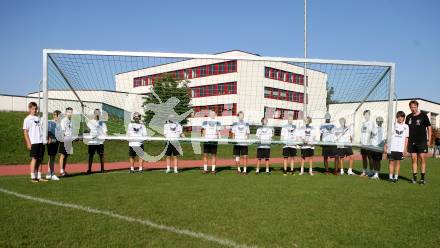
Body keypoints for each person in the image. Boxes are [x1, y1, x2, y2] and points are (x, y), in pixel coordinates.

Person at [405, 100, 432, 184]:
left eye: (414, 107)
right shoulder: (408, 117)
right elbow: (405, 129)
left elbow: (429, 128)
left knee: (422, 158)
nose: (413, 109)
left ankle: (423, 178)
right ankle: (414, 178)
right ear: (410, 107)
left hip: (422, 141)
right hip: (411, 141)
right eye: (411, 107)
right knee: (413, 159)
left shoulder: (423, 116)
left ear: (417, 106)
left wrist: (429, 140)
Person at [23, 102, 46, 182]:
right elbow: (25, 132)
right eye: (33, 109)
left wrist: (46, 138)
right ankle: (33, 176)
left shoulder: (39, 118)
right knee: (34, 159)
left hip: (41, 141)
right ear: (29, 109)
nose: (35, 110)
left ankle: (39, 176)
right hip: (34, 142)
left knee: (40, 159)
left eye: (36, 109)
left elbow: (42, 129)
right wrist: (28, 143)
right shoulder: (27, 119)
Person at [385, 111, 409, 183]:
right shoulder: (393, 125)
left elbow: (406, 138)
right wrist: (386, 145)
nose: (400, 118)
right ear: (397, 117)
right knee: (391, 162)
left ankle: (396, 177)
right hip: (392, 147)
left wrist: (405, 148)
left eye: (402, 117)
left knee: (398, 163)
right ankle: (390, 177)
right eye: (399, 117)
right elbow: (388, 137)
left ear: (404, 118)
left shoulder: (406, 126)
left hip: (400, 148)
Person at [86, 109, 107, 174]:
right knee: (91, 155)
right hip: (92, 142)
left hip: (100, 142)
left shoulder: (102, 123)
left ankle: (102, 169)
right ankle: (89, 169)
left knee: (101, 155)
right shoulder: (90, 122)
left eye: (99, 113)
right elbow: (87, 130)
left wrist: (105, 136)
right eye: (96, 113)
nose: (97, 114)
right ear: (94, 114)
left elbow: (105, 132)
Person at [45, 110, 61, 181]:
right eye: (59, 115)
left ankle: (49, 173)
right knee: (51, 157)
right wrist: (48, 138)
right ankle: (52, 173)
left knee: (52, 157)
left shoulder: (60, 123)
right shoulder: (50, 122)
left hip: (56, 142)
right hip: (51, 142)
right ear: (55, 115)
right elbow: (47, 131)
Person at [59, 107, 74, 176]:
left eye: (71, 112)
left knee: (66, 156)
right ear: (66, 113)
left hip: (69, 140)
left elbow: (71, 131)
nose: (70, 113)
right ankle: (61, 170)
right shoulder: (64, 120)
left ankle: (63, 170)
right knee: (62, 155)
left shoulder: (71, 121)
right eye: (69, 112)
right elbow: (62, 131)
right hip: (65, 139)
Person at [360, 110, 374, 177]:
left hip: (369, 144)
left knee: (370, 158)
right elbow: (362, 133)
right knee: (364, 158)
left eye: (367, 114)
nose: (366, 116)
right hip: (363, 144)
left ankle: (371, 171)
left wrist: (370, 142)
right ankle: (364, 171)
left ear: (369, 115)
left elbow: (372, 134)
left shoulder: (371, 123)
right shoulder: (363, 123)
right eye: (365, 114)